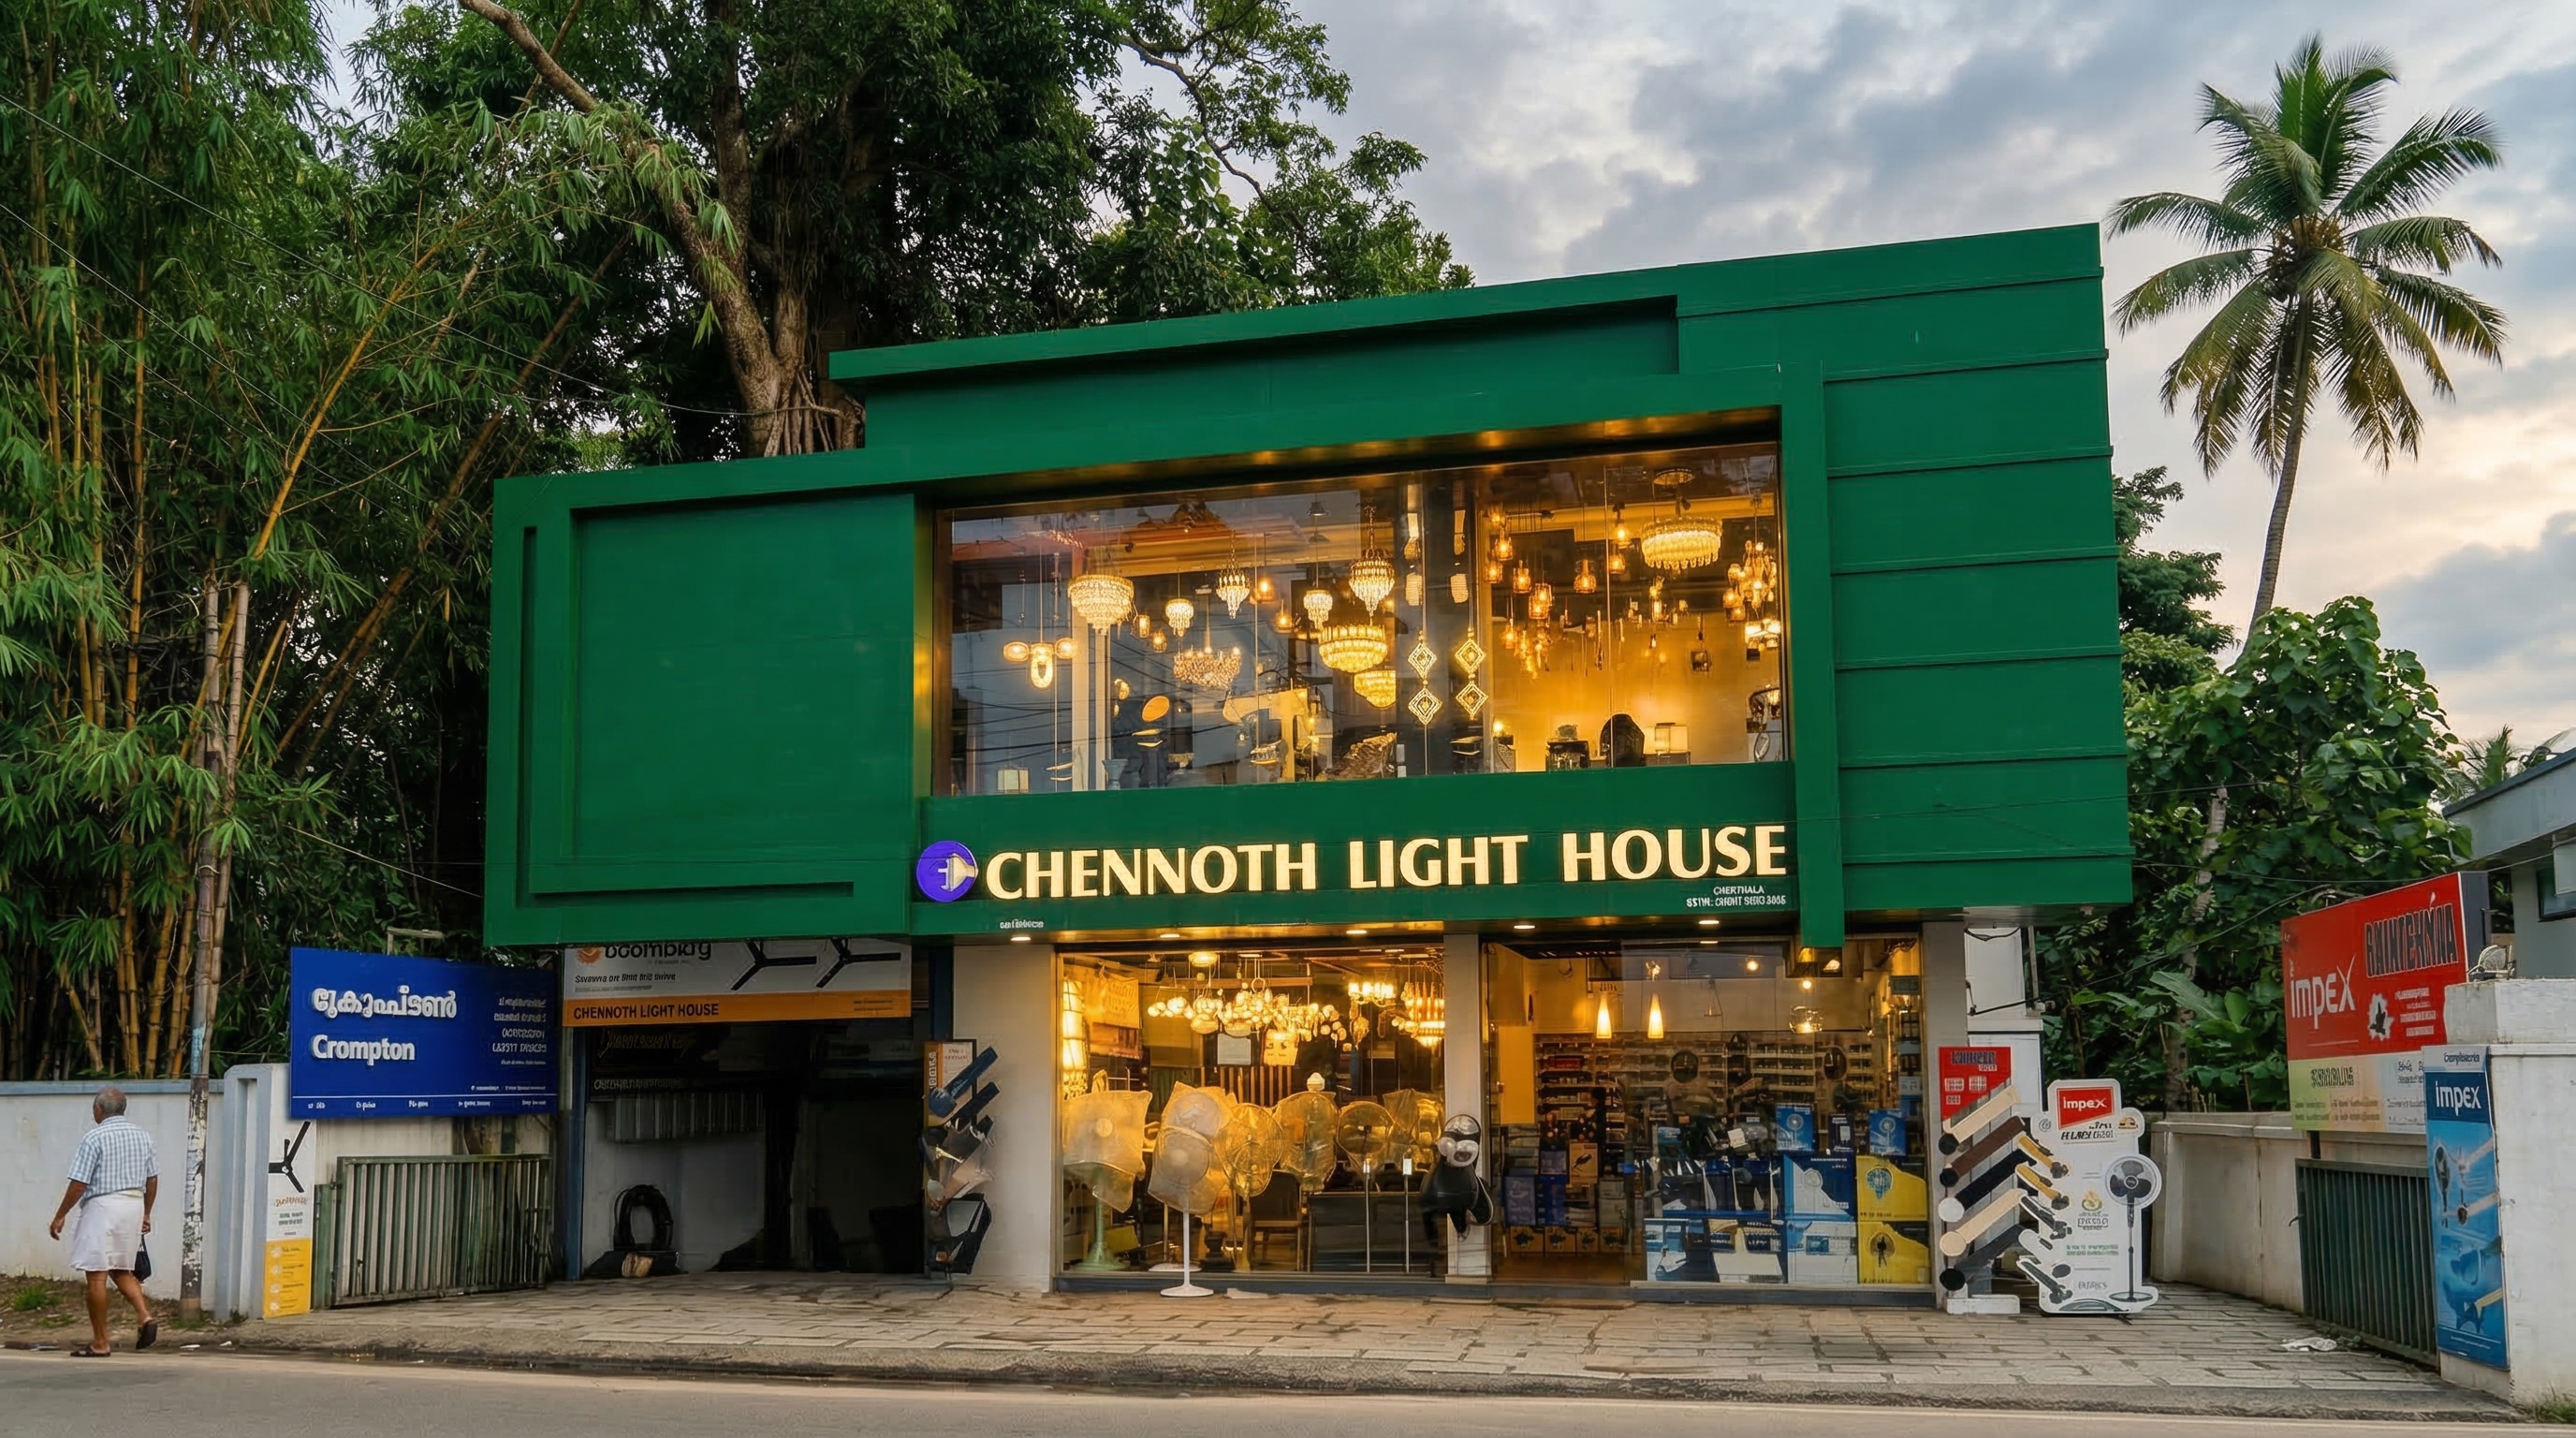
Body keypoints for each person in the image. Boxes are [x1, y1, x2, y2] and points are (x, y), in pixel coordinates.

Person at [48, 1086, 159, 1356]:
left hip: (103, 1206)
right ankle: (145, 1316)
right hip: (133, 1204)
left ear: (99, 1110)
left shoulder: (94, 1138)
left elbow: (79, 1183)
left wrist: (60, 1214)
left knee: (96, 1275)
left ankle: (100, 1342)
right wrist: (146, 1212)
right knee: (122, 1269)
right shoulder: (143, 1137)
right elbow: (152, 1179)